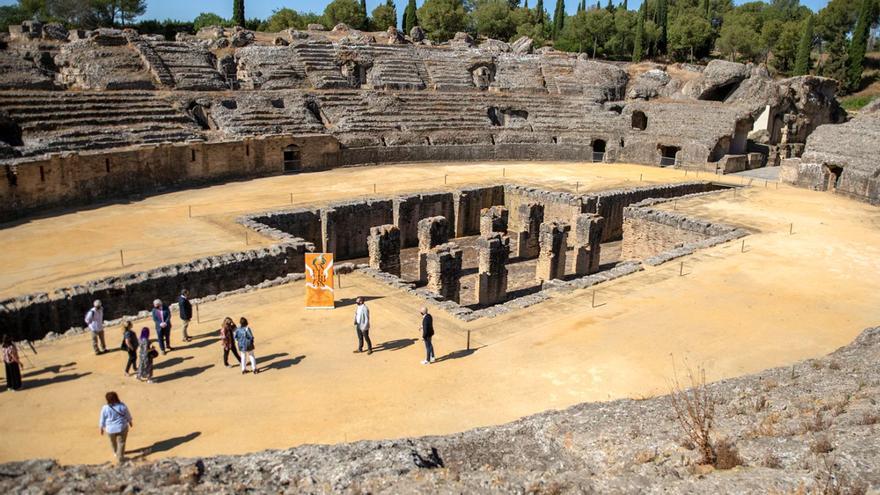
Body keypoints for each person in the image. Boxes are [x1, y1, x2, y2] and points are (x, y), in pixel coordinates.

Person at [98, 391, 133, 464]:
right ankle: (120, 457)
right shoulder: (122, 406)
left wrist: (101, 428)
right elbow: (127, 415)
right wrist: (130, 422)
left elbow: (102, 418)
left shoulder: (105, 408)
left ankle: (115, 452)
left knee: (113, 442)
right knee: (121, 442)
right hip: (121, 427)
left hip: (110, 429)